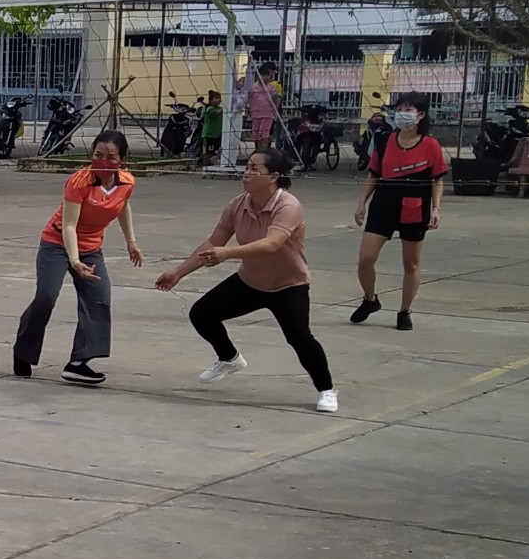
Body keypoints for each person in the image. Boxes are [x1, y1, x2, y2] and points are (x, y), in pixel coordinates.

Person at [155, 148, 338, 413]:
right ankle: (229, 358)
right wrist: (178, 273)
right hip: (250, 281)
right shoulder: (238, 205)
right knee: (202, 314)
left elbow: (271, 244)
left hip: (288, 285)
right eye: (247, 167)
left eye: (254, 169)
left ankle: (327, 389)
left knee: (299, 337)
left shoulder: (288, 206)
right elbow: (213, 242)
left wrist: (227, 254)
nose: (246, 173)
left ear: (273, 176)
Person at [13, 128, 143, 385]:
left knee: (99, 299)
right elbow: (69, 226)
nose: (103, 161)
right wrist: (75, 262)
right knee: (46, 297)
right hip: (57, 243)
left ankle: (78, 363)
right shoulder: (79, 181)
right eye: (98, 155)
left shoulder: (127, 182)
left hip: (92, 247)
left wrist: (131, 241)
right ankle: (23, 351)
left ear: (122, 159)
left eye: (111, 157)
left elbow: (123, 206)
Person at [350, 93, 448, 330]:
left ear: (420, 115)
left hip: (415, 207)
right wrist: (362, 203)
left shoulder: (431, 145)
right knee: (365, 259)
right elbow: (373, 174)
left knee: (411, 263)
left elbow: (437, 179)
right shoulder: (384, 140)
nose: (403, 113)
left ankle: (405, 311)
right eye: (400, 108)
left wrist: (436, 208)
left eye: (409, 109)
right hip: (383, 205)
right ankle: (370, 299)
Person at [247, 61, 281, 154]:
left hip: (268, 115)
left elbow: (277, 99)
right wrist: (250, 110)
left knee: (265, 134)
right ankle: (258, 151)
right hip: (256, 114)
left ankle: (264, 151)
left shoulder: (272, 87)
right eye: (262, 75)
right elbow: (249, 99)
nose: (264, 77)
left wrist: (274, 112)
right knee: (256, 133)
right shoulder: (253, 88)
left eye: (267, 75)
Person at [196, 90, 224, 166]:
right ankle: (204, 164)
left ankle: (214, 162)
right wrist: (223, 109)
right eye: (216, 98)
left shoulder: (219, 108)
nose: (219, 100)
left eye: (219, 98)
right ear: (211, 100)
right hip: (209, 135)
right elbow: (218, 112)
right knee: (208, 152)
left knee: (218, 150)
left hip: (217, 134)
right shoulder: (210, 109)